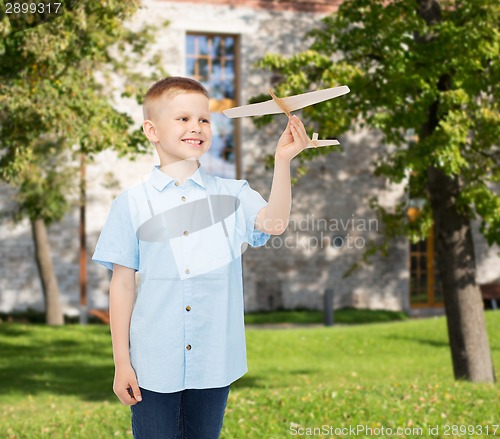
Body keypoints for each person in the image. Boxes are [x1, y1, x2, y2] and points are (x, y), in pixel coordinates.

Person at [92, 76, 312, 438]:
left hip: (213, 362)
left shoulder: (234, 193)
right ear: (152, 130)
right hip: (152, 363)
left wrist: (283, 161)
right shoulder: (130, 204)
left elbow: (273, 223)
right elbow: (122, 284)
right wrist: (121, 362)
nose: (196, 127)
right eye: (182, 119)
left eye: (204, 119)